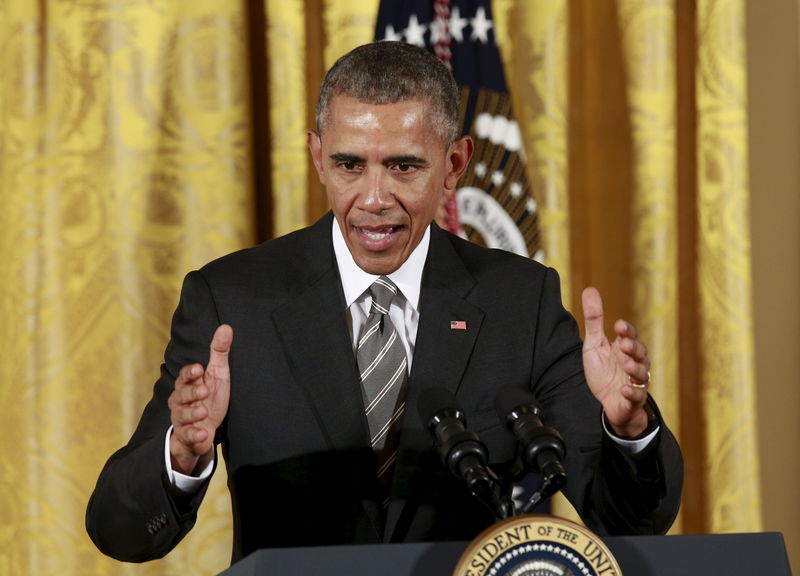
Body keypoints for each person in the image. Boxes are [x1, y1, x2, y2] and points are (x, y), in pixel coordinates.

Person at [86, 41, 682, 564]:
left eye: (403, 166)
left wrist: (628, 428)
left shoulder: (518, 303)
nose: (374, 198)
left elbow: (630, 522)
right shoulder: (233, 300)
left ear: (453, 165)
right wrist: (182, 455)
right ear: (318, 156)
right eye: (350, 164)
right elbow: (119, 531)